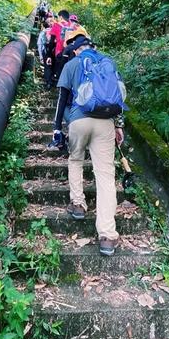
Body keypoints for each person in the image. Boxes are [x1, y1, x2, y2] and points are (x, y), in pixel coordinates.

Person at [52, 34, 126, 257]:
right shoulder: (106, 62)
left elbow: (62, 99)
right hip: (105, 123)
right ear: (92, 48)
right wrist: (118, 126)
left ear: (76, 50)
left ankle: (78, 205)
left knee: (75, 160)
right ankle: (107, 235)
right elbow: (117, 98)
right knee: (105, 175)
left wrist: (57, 128)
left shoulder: (72, 64)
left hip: (78, 120)